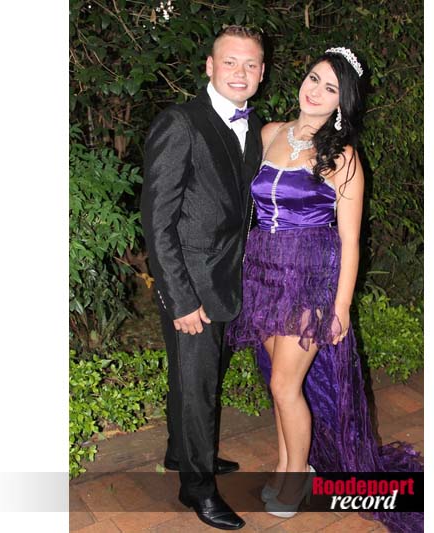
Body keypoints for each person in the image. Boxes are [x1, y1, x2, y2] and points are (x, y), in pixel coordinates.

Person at [226, 47, 424, 533]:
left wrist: (341, 306)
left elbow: (351, 241)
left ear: (341, 102)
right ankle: (287, 465)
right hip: (262, 274)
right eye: (313, 78)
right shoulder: (270, 134)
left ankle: (296, 479)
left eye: (330, 88)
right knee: (277, 380)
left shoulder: (344, 158)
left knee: (284, 384)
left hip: (310, 279)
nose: (315, 91)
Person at [140, 25, 265, 530]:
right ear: (210, 67)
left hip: (229, 280)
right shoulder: (181, 123)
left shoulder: (254, 127)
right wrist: (179, 297)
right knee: (198, 388)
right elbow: (157, 220)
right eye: (230, 62)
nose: (240, 72)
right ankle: (197, 488)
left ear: (262, 72)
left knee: (195, 379)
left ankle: (181, 452)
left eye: (250, 64)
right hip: (190, 283)